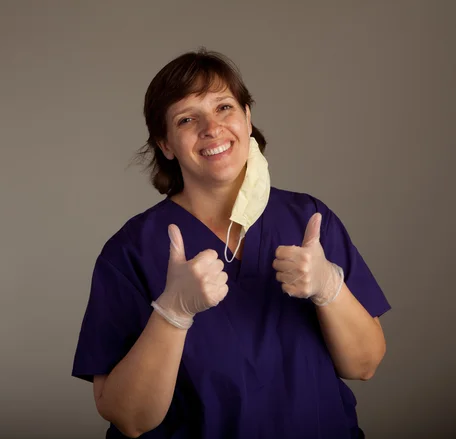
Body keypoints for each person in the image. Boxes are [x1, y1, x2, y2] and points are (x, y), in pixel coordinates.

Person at [72, 49, 390, 439]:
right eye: (187, 119)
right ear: (166, 145)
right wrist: (172, 314)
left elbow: (364, 365)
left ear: (247, 118)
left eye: (224, 107)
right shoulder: (130, 251)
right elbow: (129, 418)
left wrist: (330, 288)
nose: (212, 128)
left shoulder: (308, 219)